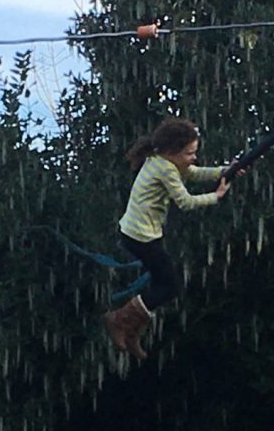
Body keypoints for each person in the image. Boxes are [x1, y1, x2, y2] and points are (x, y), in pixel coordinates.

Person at [103, 117, 241, 360]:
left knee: (163, 285)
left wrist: (225, 171)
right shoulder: (165, 169)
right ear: (171, 152)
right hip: (140, 237)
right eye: (189, 153)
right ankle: (120, 320)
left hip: (139, 234)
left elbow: (193, 173)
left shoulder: (162, 161)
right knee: (169, 286)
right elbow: (185, 202)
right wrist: (216, 196)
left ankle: (131, 328)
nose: (193, 158)